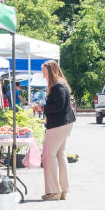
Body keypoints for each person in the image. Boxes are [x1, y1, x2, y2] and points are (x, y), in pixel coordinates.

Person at [41, 59, 76, 200]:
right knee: (60, 155)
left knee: (48, 155)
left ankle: (54, 191)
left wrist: (43, 108)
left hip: (59, 125)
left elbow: (59, 106)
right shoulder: (61, 84)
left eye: (45, 73)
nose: (44, 76)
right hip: (64, 123)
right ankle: (63, 189)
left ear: (51, 72)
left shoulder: (57, 86)